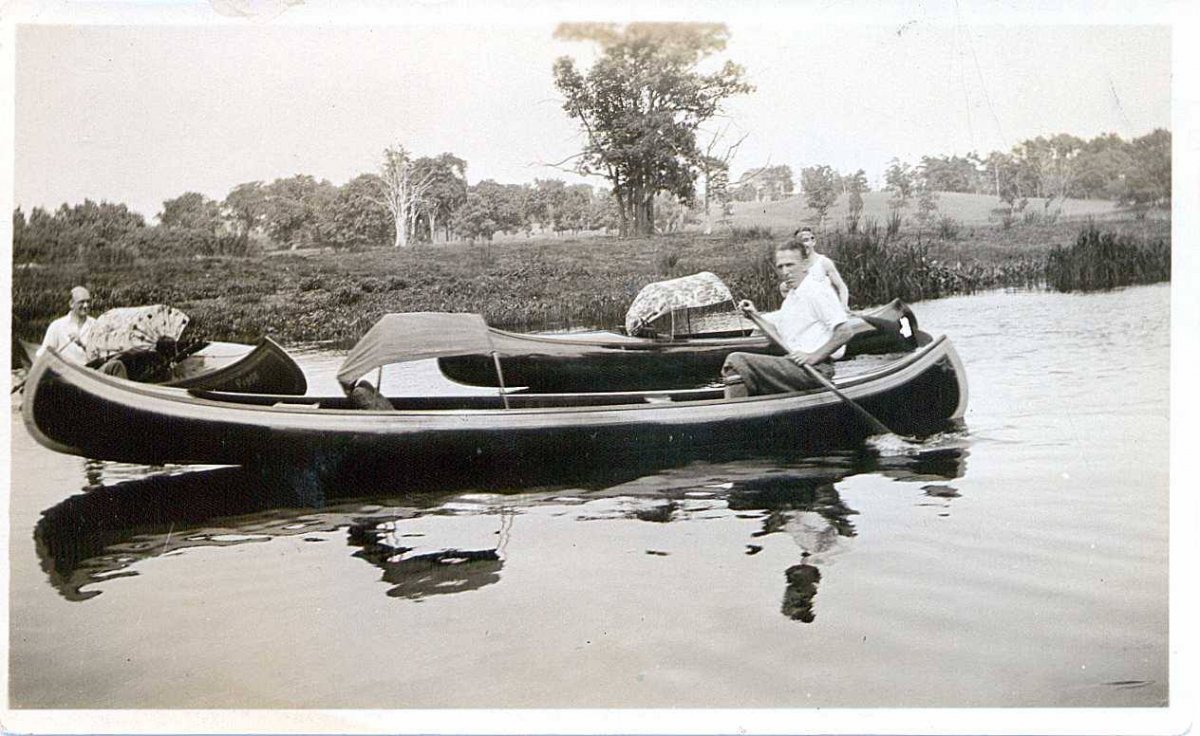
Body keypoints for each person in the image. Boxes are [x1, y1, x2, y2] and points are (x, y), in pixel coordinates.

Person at [722, 238, 868, 396]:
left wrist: (813, 356)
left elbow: (845, 332)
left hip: (814, 371)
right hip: (794, 367)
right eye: (780, 266)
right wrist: (755, 316)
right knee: (741, 373)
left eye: (790, 265)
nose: (785, 271)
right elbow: (778, 338)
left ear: (805, 265)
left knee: (736, 361)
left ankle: (734, 416)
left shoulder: (817, 291)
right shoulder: (792, 297)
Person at [784, 227, 850, 310]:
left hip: (825, 310)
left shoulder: (823, 262)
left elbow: (841, 287)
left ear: (813, 241)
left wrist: (843, 305)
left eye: (806, 240)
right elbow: (788, 291)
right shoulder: (794, 266)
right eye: (799, 243)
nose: (803, 245)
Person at [37, 285, 96, 364]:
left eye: (88, 301)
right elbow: (42, 353)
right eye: (81, 302)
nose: (86, 305)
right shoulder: (57, 326)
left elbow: (99, 356)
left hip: (91, 371)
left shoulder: (96, 324)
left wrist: (82, 345)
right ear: (71, 304)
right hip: (66, 372)